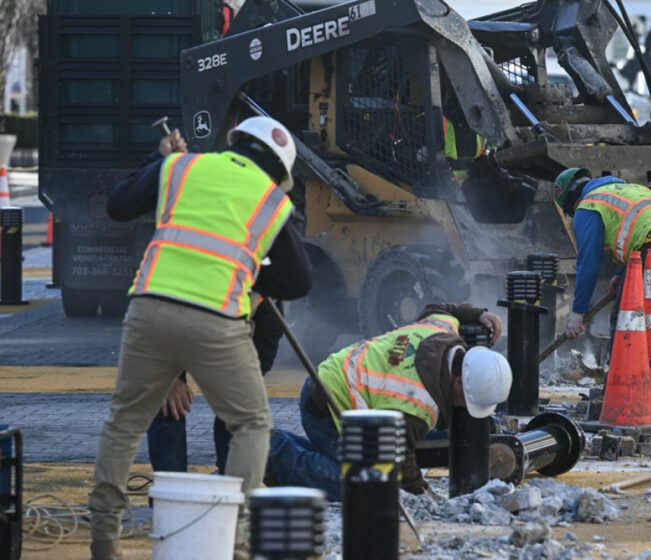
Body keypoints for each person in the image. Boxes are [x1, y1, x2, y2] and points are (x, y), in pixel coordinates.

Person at [88, 116, 312, 560]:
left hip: (148, 307)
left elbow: (118, 205)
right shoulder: (270, 200)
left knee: (124, 421)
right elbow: (300, 281)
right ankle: (233, 539)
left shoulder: (181, 166)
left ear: (237, 143)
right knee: (250, 423)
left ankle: (103, 539)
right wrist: (254, 277)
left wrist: (159, 162)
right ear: (279, 171)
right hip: (217, 318)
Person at [264, 302, 510, 500]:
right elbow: (399, 462)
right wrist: (423, 494)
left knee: (350, 463)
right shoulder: (419, 405)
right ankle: (271, 455)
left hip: (334, 377)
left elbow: (443, 309)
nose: (465, 407)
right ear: (458, 383)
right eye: (468, 401)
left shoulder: (442, 330)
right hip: (328, 404)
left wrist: (476, 315)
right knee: (365, 485)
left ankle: (276, 444)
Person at [555, 168, 651, 361]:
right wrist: (622, 273)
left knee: (626, 316)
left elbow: (587, 264)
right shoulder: (629, 189)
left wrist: (578, 313)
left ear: (572, 201)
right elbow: (637, 227)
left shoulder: (588, 205)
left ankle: (619, 387)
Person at [145, 297, 285, 475]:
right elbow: (157, 314)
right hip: (173, 319)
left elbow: (266, 341)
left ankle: (232, 488)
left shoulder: (265, 299)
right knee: (168, 404)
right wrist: (169, 377)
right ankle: (170, 488)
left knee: (238, 410)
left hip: (239, 322)